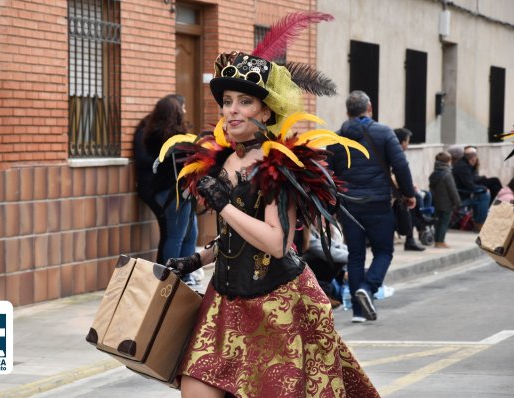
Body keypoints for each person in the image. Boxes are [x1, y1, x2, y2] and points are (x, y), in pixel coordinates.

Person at [158, 11, 380, 398]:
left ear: (266, 111)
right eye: (227, 101)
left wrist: (224, 205)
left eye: (245, 101)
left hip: (277, 305)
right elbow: (235, 235)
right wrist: (199, 259)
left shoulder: (279, 165)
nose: (233, 110)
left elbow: (277, 242)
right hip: (224, 301)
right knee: (194, 389)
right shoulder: (219, 161)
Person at [327, 90, 416, 323]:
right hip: (378, 204)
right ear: (370, 108)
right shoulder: (384, 133)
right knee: (384, 251)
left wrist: (334, 205)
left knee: (355, 256)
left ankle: (358, 312)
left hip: (349, 206)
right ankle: (369, 287)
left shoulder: (336, 139)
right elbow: (400, 166)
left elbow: (328, 175)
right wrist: (409, 194)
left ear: (347, 112)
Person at [133, 94, 199, 286]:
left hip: (167, 191)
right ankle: (174, 278)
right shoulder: (174, 138)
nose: (185, 111)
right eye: (183, 108)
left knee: (187, 232)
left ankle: (183, 275)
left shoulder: (152, 134)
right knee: (178, 235)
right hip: (175, 191)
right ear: (176, 113)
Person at [393, 128, 426, 251]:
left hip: (394, 191)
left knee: (420, 196)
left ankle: (420, 226)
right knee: (412, 200)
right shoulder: (394, 154)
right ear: (401, 142)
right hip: (390, 193)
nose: (408, 144)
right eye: (407, 141)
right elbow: (396, 175)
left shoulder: (395, 153)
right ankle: (420, 226)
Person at [428, 151, 461, 248]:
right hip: (446, 203)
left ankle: (437, 240)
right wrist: (457, 202)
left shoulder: (433, 174)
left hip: (436, 202)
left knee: (438, 222)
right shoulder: (447, 174)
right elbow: (452, 190)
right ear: (448, 162)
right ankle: (440, 241)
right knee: (444, 222)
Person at [452, 149, 490, 230]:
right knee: (484, 195)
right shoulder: (464, 167)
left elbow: (471, 180)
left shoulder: (464, 165)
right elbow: (470, 185)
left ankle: (479, 222)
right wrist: (483, 188)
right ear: (472, 159)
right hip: (461, 195)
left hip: (461, 192)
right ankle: (479, 223)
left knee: (489, 187)